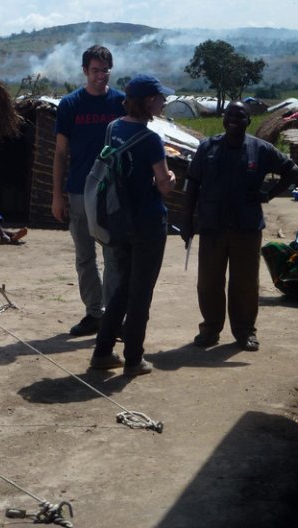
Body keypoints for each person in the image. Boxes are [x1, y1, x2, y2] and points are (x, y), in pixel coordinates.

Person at [181, 100, 298, 352]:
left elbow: (292, 171)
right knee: (209, 282)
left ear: (248, 121)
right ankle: (211, 329)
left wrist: (268, 193)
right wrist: (187, 220)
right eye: (229, 115)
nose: (233, 119)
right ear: (223, 119)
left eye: (240, 115)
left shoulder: (260, 150)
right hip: (212, 227)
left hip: (246, 228)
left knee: (244, 283)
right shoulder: (207, 148)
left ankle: (245, 331)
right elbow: (192, 184)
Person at [90, 74, 176, 376]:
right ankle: (134, 358)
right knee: (141, 293)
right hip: (148, 223)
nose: (164, 102)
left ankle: (102, 352)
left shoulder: (113, 128)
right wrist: (171, 178)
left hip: (119, 221)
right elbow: (165, 186)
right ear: (149, 101)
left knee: (123, 288)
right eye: (160, 97)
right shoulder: (151, 140)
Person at [52, 45, 125, 336]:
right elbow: (59, 153)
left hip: (112, 192)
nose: (100, 76)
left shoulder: (120, 103)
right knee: (85, 256)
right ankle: (94, 313)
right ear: (85, 71)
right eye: (95, 70)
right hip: (80, 191)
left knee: (113, 257)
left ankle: (113, 316)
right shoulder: (71, 105)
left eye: (105, 70)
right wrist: (57, 194)